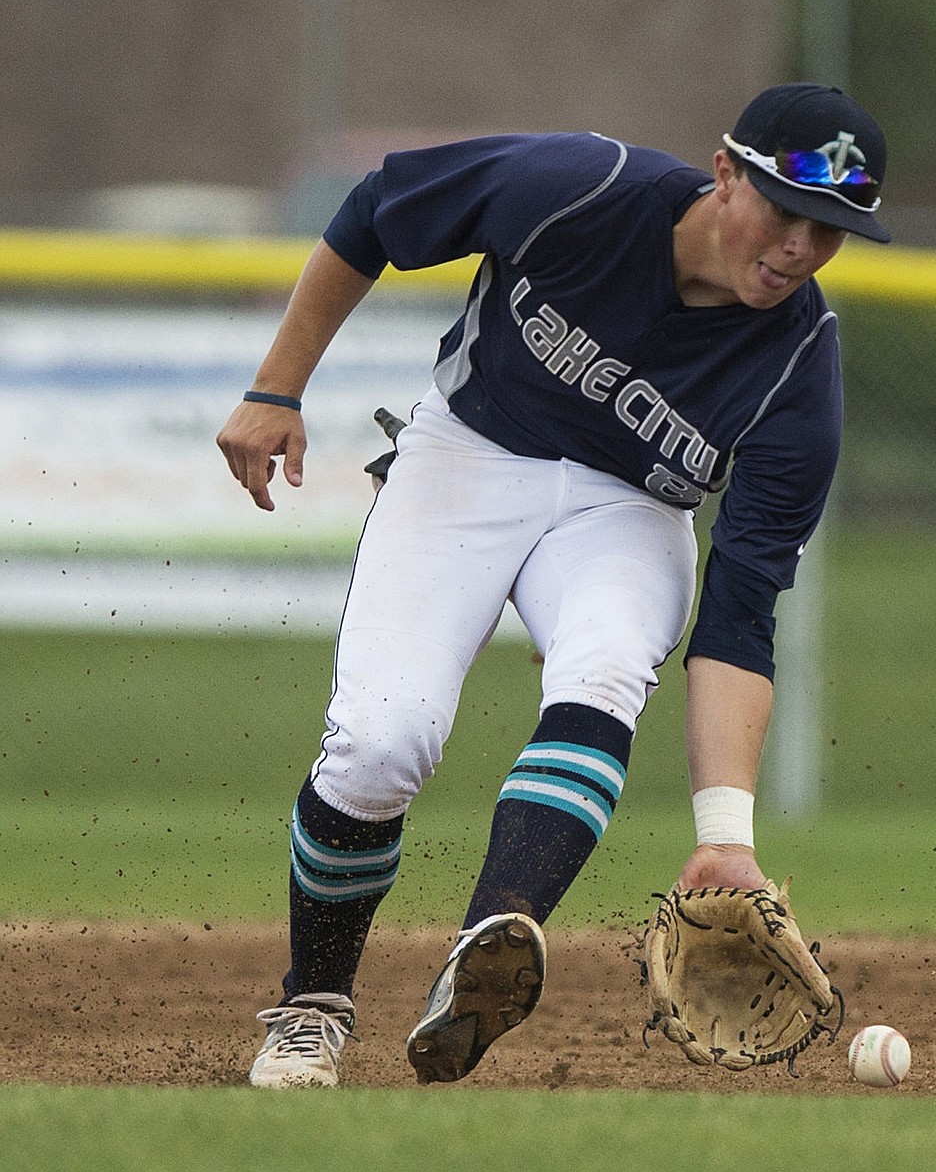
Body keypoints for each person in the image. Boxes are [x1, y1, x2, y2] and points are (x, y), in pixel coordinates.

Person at [216, 82, 891, 1088]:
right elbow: (376, 212)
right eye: (787, 212)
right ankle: (313, 1003)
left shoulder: (799, 368)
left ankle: (489, 945)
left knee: (610, 663)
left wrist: (725, 839)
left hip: (627, 511)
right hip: (470, 452)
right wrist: (277, 386)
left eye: (830, 229)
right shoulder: (582, 187)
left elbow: (742, 611)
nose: (801, 248)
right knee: (381, 743)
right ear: (723, 174)